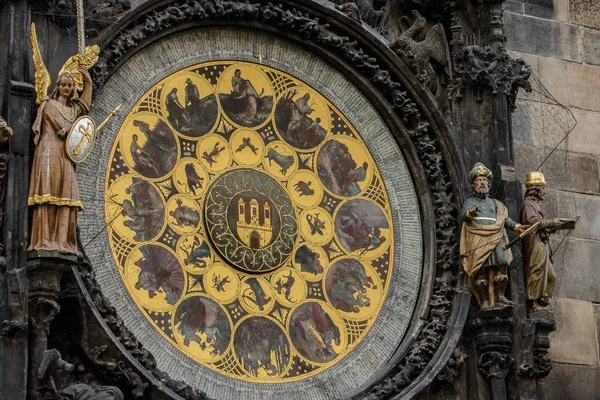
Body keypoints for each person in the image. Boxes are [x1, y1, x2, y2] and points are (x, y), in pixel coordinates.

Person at [28, 66, 92, 256]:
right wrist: (83, 133)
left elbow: (84, 107)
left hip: (64, 155)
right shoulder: (49, 106)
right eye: (63, 84)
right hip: (49, 151)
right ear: (57, 86)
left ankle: (63, 241)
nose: (66, 88)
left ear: (73, 88)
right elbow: (64, 129)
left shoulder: (72, 109)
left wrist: (88, 82)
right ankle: (44, 240)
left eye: (70, 85)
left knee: (68, 195)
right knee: (49, 194)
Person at [460, 163, 529, 310]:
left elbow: (504, 219)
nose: (482, 183)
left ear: (489, 184)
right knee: (480, 269)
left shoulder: (495, 203)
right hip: (477, 237)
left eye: (484, 180)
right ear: (474, 185)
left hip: (496, 237)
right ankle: (485, 300)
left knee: (501, 265)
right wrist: (469, 213)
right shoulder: (470, 202)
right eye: (479, 180)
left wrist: (517, 227)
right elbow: (463, 216)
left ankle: (499, 295)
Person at [520, 172, 572, 312]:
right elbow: (532, 222)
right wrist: (551, 222)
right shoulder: (528, 204)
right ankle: (533, 302)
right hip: (534, 242)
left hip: (542, 241)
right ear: (536, 189)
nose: (545, 191)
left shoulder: (535, 205)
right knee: (537, 270)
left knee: (550, 274)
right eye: (543, 187)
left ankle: (542, 299)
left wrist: (553, 226)